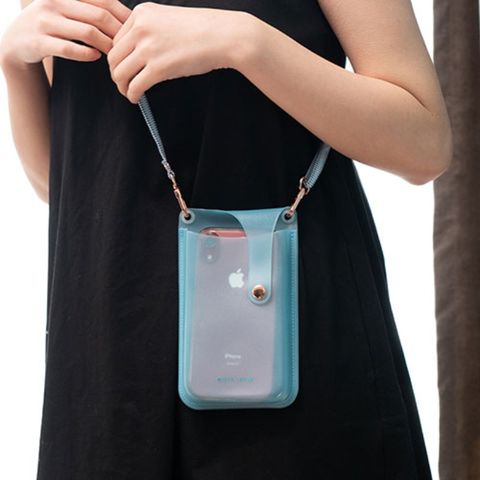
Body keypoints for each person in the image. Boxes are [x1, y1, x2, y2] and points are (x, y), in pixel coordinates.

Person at [0, 0, 452, 479]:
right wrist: (15, 65)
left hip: (291, 356)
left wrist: (244, 43)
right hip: (107, 361)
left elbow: (424, 143)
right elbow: (70, 184)